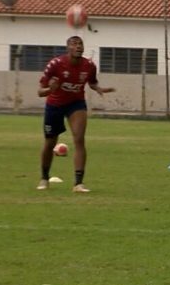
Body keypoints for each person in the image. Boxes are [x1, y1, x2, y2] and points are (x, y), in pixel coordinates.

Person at [37, 36, 115, 192]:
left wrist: (98, 88)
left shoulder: (89, 66)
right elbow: (40, 91)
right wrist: (50, 89)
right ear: (68, 48)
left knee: (79, 139)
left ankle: (78, 183)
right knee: (50, 142)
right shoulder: (55, 64)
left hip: (76, 104)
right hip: (54, 105)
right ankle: (44, 178)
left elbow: (92, 81)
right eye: (74, 44)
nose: (78, 46)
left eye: (80, 44)